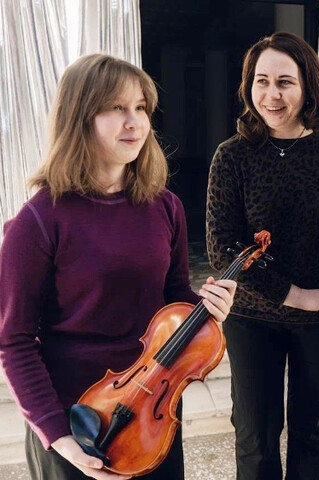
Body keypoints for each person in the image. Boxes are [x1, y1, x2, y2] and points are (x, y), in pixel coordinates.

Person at [0, 53, 237, 480]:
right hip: (75, 420)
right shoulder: (38, 220)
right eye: (116, 107)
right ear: (80, 117)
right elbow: (14, 342)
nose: (135, 122)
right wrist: (59, 437)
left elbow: (174, 297)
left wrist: (208, 311)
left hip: (154, 413)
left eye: (141, 108)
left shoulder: (165, 206)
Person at [206, 31, 319, 480]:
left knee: (313, 435)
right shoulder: (232, 156)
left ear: (307, 86)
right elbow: (223, 246)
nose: (271, 95)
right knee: (255, 437)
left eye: (285, 82)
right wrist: (297, 295)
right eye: (261, 82)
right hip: (252, 317)